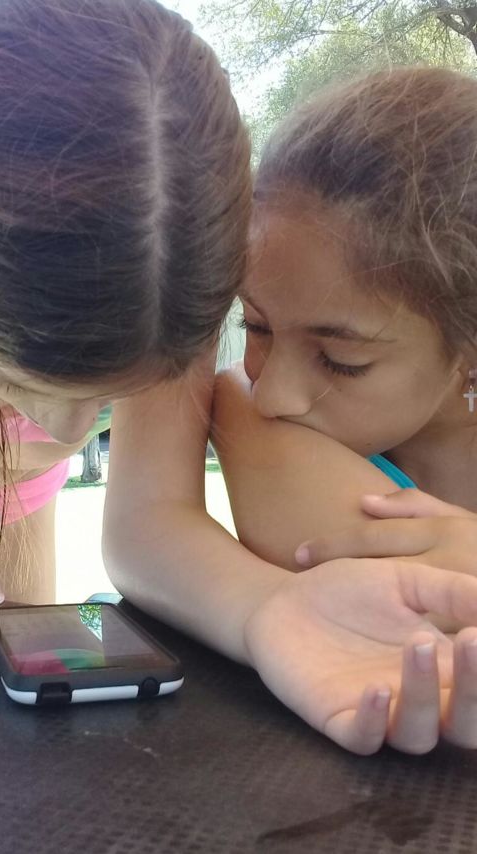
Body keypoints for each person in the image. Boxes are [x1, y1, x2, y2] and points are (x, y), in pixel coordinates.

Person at [0, 0, 251, 659]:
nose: (70, 432)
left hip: (13, 506)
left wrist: (276, 615)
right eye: (15, 377)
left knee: (23, 674)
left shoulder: (169, 260)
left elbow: (152, 519)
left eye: (110, 396)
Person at [103, 67, 477, 755]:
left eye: (340, 360)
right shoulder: (255, 415)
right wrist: (266, 610)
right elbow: (140, 530)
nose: (272, 391)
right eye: (254, 326)